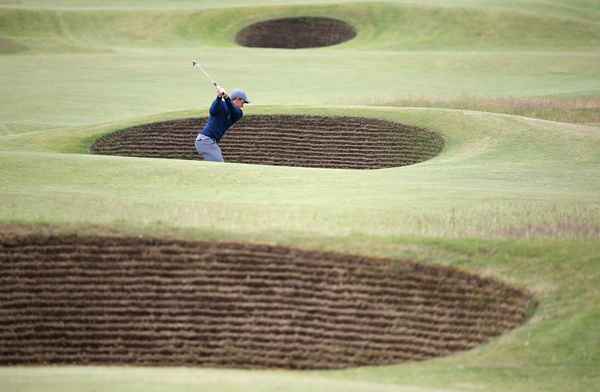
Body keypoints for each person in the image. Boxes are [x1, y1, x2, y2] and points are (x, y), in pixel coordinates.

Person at [195, 87, 250, 162]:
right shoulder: (222, 105)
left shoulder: (239, 113)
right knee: (219, 163)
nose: (243, 106)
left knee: (217, 163)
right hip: (205, 140)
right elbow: (213, 110)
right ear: (237, 99)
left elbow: (233, 111)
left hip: (209, 142)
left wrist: (226, 98)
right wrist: (219, 96)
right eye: (243, 102)